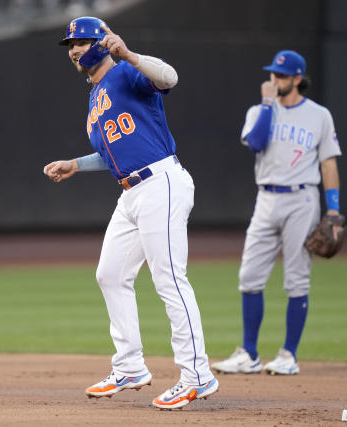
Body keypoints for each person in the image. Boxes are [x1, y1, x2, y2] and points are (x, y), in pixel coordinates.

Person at [43, 16, 218, 409]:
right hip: (131, 192)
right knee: (110, 274)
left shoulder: (125, 73)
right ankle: (130, 366)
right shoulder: (95, 97)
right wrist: (76, 164)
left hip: (161, 182)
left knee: (170, 279)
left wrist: (130, 54)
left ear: (104, 42)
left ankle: (197, 375)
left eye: (83, 41)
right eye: (71, 44)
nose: (74, 49)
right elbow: (111, 154)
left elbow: (169, 77)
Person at [211, 50, 343, 375]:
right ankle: (249, 354)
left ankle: (288, 355)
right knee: (249, 277)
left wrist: (335, 210)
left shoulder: (319, 115)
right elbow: (256, 143)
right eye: (273, 74)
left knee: (296, 278)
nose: (274, 80)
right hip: (266, 198)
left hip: (303, 200)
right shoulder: (259, 110)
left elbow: (328, 163)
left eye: (281, 76)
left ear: (297, 79)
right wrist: (268, 105)